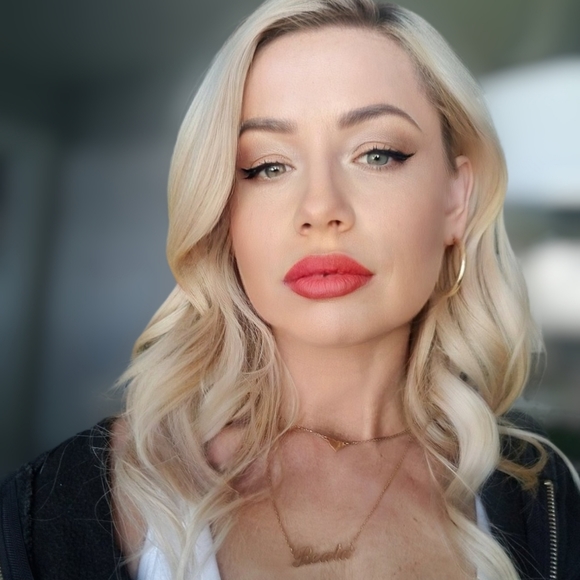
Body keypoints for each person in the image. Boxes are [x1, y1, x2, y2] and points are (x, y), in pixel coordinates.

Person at [1, 0, 579, 579]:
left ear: (456, 198)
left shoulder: (547, 496)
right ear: (223, 211)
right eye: (268, 166)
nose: (320, 208)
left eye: (377, 154)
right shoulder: (50, 508)